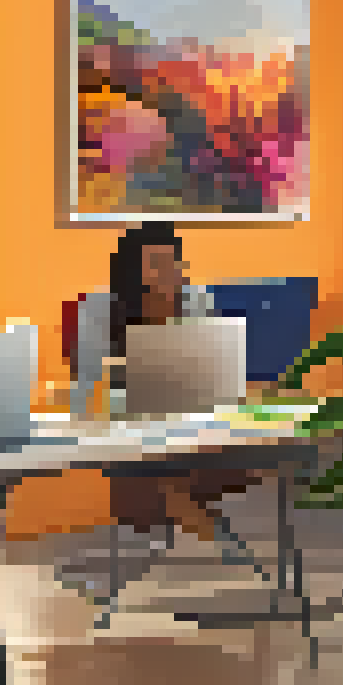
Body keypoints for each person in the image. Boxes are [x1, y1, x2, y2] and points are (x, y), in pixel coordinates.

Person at [57, 222, 261, 598]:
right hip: (122, 423)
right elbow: (87, 381)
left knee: (198, 466)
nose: (169, 272)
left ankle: (216, 551)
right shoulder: (101, 308)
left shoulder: (196, 299)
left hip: (192, 420)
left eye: (174, 261)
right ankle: (231, 555)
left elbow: (213, 366)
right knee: (158, 469)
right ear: (132, 268)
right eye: (156, 262)